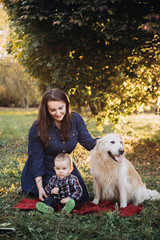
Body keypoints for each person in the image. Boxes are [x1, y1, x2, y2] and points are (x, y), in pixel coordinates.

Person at [21, 88, 98, 202]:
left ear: (66, 105)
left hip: (64, 165)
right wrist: (40, 187)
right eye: (52, 110)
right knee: (52, 194)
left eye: (61, 108)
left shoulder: (75, 119)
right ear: (46, 110)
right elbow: (36, 158)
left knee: (83, 197)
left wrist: (110, 142)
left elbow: (88, 142)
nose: (58, 113)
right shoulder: (38, 127)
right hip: (44, 166)